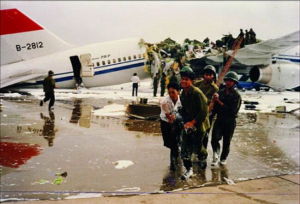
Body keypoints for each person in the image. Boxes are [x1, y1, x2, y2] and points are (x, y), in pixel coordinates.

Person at [179, 66, 210, 180]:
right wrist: (186, 122)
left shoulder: (197, 93)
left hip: (200, 123)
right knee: (185, 147)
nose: (183, 81)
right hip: (189, 123)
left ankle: (203, 157)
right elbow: (184, 109)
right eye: (182, 79)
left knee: (197, 146)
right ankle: (189, 169)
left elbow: (204, 111)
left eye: (186, 79)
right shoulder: (183, 93)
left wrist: (193, 122)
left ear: (191, 81)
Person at [210, 71, 241, 166]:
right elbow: (215, 107)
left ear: (234, 83)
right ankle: (216, 154)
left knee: (226, 141)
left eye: (231, 81)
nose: (228, 83)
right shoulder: (220, 92)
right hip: (219, 119)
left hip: (230, 121)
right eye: (227, 80)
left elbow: (232, 111)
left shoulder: (236, 96)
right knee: (214, 139)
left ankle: (223, 158)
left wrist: (219, 101)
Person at [194, 65, 219, 160]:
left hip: (207, 114)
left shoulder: (214, 88)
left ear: (213, 76)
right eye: (206, 74)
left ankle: (202, 155)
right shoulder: (197, 84)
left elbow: (210, 103)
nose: (208, 76)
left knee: (204, 134)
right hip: (196, 112)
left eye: (210, 74)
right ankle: (195, 151)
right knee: (194, 133)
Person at [160, 83, 182, 171]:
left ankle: (173, 162)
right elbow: (169, 118)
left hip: (177, 121)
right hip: (165, 121)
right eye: (169, 93)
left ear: (178, 92)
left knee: (174, 142)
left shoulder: (182, 100)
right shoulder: (164, 102)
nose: (171, 95)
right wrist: (173, 117)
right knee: (168, 142)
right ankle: (176, 151)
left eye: (173, 92)